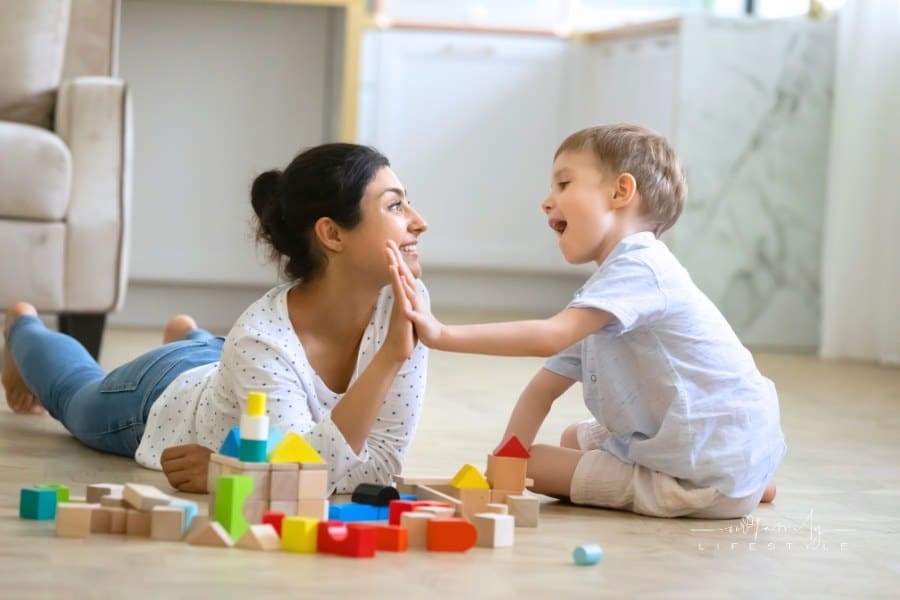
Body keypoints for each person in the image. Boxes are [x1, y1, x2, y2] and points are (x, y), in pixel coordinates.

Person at [388, 123, 785, 519]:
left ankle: (722, 491)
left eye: (563, 184)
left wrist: (442, 334)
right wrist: (504, 462)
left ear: (620, 192)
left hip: (699, 470)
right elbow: (542, 390)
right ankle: (748, 484)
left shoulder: (641, 266)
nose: (547, 202)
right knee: (570, 438)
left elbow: (549, 337)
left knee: (536, 466)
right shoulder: (607, 293)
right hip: (733, 445)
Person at [2, 142, 430, 495]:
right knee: (74, 396)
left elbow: (380, 469)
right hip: (160, 397)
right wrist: (390, 358)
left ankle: (190, 337)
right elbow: (305, 475)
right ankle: (22, 327)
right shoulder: (261, 339)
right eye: (395, 206)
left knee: (237, 364)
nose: (420, 223)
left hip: (228, 365)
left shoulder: (404, 303)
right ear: (332, 234)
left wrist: (237, 473)